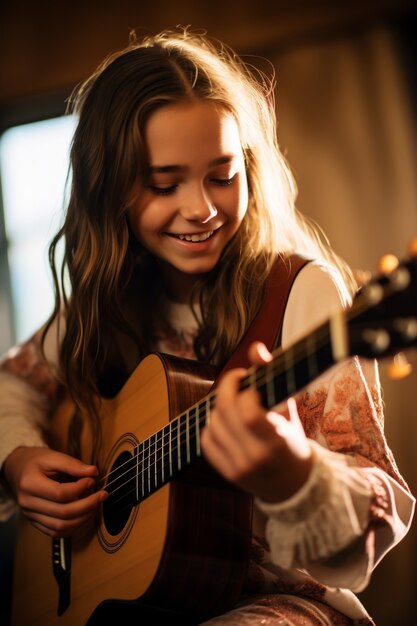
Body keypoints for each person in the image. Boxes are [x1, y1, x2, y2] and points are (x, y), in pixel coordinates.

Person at [0, 27, 414, 626]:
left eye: (222, 175)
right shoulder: (107, 303)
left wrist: (294, 472)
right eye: (165, 184)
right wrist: (18, 457)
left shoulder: (297, 293)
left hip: (274, 603)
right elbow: (14, 381)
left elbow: (381, 513)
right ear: (107, 190)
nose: (203, 208)